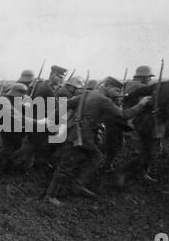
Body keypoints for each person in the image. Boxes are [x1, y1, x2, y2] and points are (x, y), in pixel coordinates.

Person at [44, 77, 152, 206]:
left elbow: (65, 105)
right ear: (108, 87)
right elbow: (124, 115)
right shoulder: (103, 100)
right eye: (116, 90)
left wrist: (51, 120)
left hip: (78, 134)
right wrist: (141, 105)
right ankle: (50, 196)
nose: (118, 93)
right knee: (67, 165)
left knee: (95, 156)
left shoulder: (88, 94)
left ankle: (77, 184)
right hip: (82, 137)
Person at [116, 68, 169, 186]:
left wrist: (126, 97)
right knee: (151, 152)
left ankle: (143, 172)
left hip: (143, 121)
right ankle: (122, 172)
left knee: (147, 149)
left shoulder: (161, 85)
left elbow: (142, 90)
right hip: (153, 125)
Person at [103, 65, 156, 170]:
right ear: (143, 77)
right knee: (117, 145)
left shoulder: (127, 84)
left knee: (114, 144)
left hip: (118, 118)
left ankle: (107, 165)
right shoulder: (140, 86)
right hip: (128, 119)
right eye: (149, 77)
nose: (150, 79)